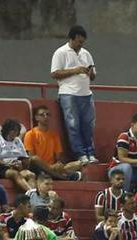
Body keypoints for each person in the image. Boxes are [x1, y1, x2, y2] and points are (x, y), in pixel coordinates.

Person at [50, 26, 98, 163]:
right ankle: (80, 153)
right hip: (68, 93)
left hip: (86, 93)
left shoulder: (86, 54)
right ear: (71, 39)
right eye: (78, 42)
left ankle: (90, 152)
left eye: (82, 42)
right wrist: (76, 70)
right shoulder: (60, 52)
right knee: (73, 125)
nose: (80, 45)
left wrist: (90, 73)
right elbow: (54, 73)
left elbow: (93, 75)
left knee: (88, 125)